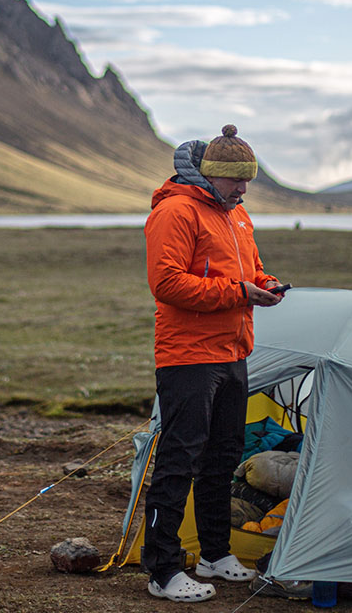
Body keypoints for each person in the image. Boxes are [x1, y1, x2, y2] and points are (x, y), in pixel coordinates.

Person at [142, 124, 286, 603]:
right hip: (188, 356)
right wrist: (240, 293)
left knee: (223, 456)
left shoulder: (236, 215)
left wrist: (264, 284)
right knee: (178, 460)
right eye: (235, 180)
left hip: (233, 351)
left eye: (248, 180)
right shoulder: (176, 210)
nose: (244, 189)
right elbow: (167, 284)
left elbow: (247, 271)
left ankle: (214, 555)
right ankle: (161, 572)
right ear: (210, 175)